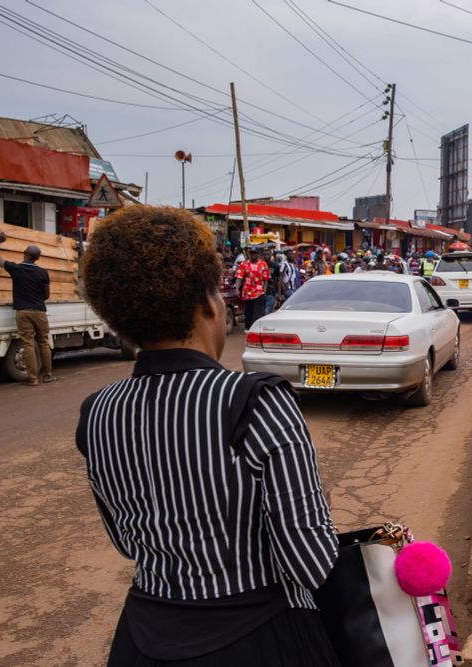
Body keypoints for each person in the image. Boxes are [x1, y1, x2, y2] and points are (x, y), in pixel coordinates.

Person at [77, 206, 338, 665]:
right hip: (257, 637)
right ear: (205, 304)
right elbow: (309, 558)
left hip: (143, 636)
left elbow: (124, 541)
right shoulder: (255, 401)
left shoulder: (98, 411)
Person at [0, 231, 54, 386]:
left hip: (23, 311)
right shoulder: (43, 272)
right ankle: (47, 376)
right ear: (37, 258)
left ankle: (32, 379)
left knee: (28, 344)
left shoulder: (16, 269)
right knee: (44, 343)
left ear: (24, 254)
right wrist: (37, 300)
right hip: (39, 310)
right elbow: (47, 295)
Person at [235, 247, 269, 330]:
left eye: (255, 253)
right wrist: (237, 289)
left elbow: (265, 280)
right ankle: (248, 328)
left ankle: (255, 330)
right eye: (251, 253)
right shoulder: (244, 264)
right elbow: (239, 278)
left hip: (259, 293)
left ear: (258, 254)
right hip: (247, 293)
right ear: (249, 254)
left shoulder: (263, 264)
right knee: (248, 312)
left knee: (256, 313)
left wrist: (264, 291)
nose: (253, 255)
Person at [263, 248, 280, 315]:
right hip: (260, 292)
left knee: (267, 310)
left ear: (271, 255)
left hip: (271, 291)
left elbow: (278, 280)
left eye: (268, 254)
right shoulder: (260, 265)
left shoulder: (275, 266)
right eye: (264, 254)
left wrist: (279, 293)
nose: (266, 256)